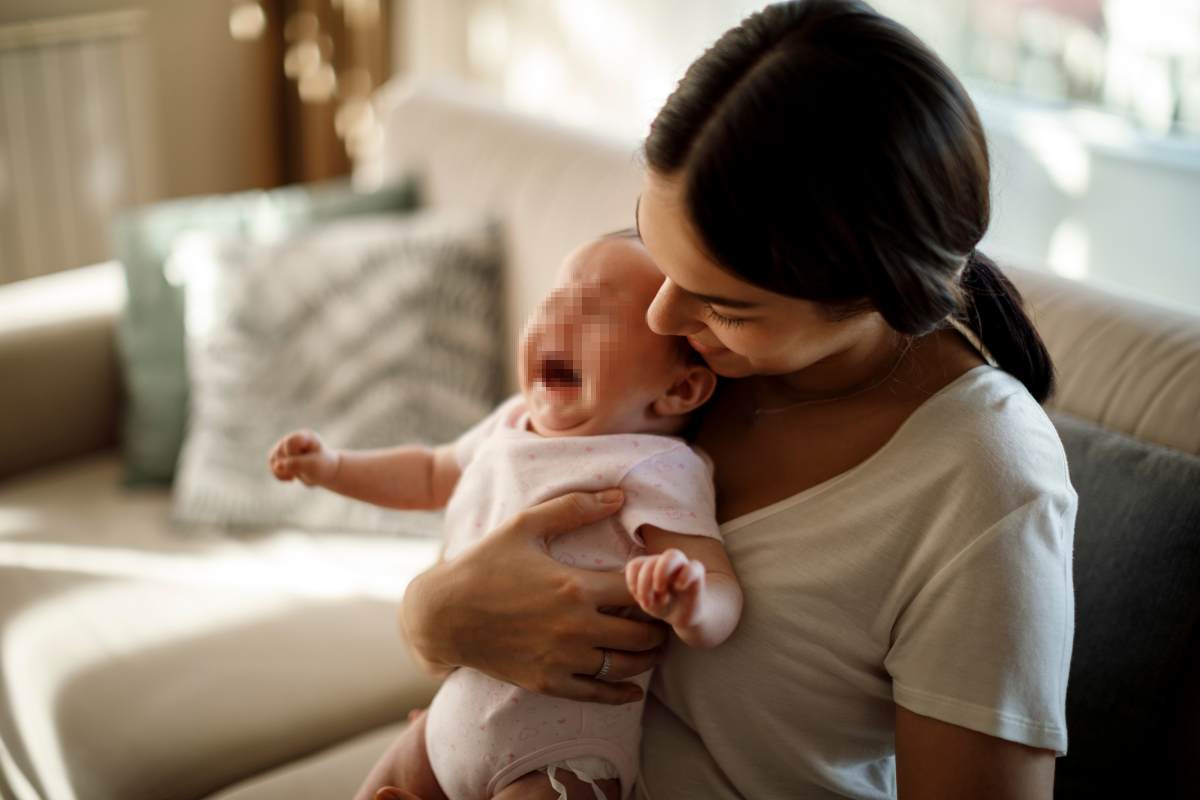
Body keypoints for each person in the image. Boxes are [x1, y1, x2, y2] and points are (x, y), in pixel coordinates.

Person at [382, 1, 1077, 798]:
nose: (659, 317)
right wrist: (431, 617)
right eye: (655, 246)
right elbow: (495, 526)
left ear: (875, 294)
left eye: (725, 304)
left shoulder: (985, 484)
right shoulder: (683, 364)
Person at [268, 233, 744, 800]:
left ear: (680, 388)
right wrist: (334, 466)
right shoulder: (511, 422)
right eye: (551, 303)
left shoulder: (654, 464)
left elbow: (719, 584)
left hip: (557, 758)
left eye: (593, 312)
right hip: (444, 728)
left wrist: (689, 601)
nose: (556, 321)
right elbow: (427, 472)